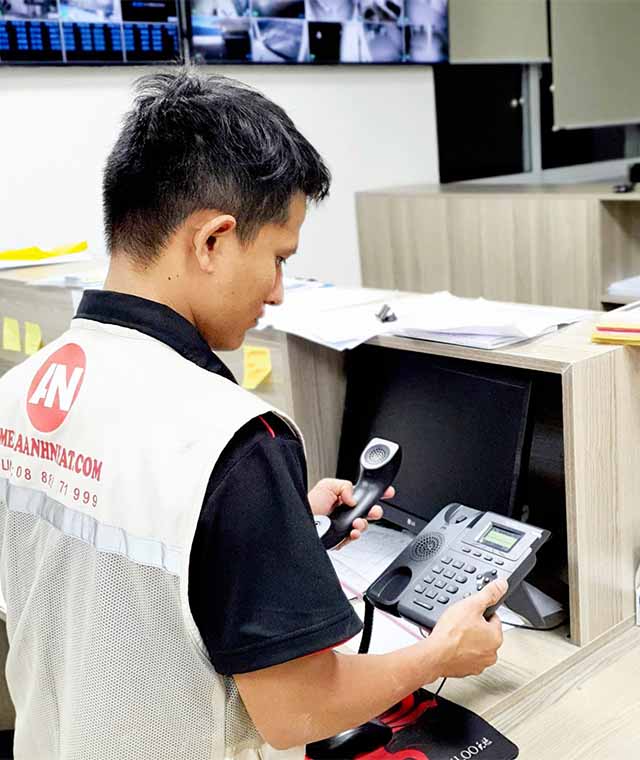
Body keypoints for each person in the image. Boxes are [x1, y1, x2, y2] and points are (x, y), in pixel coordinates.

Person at [0, 69, 505, 760]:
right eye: (278, 258)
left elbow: (103, 584)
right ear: (212, 240)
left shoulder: (21, 390)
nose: (278, 292)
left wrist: (271, 533)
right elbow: (298, 710)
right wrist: (440, 652)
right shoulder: (231, 440)